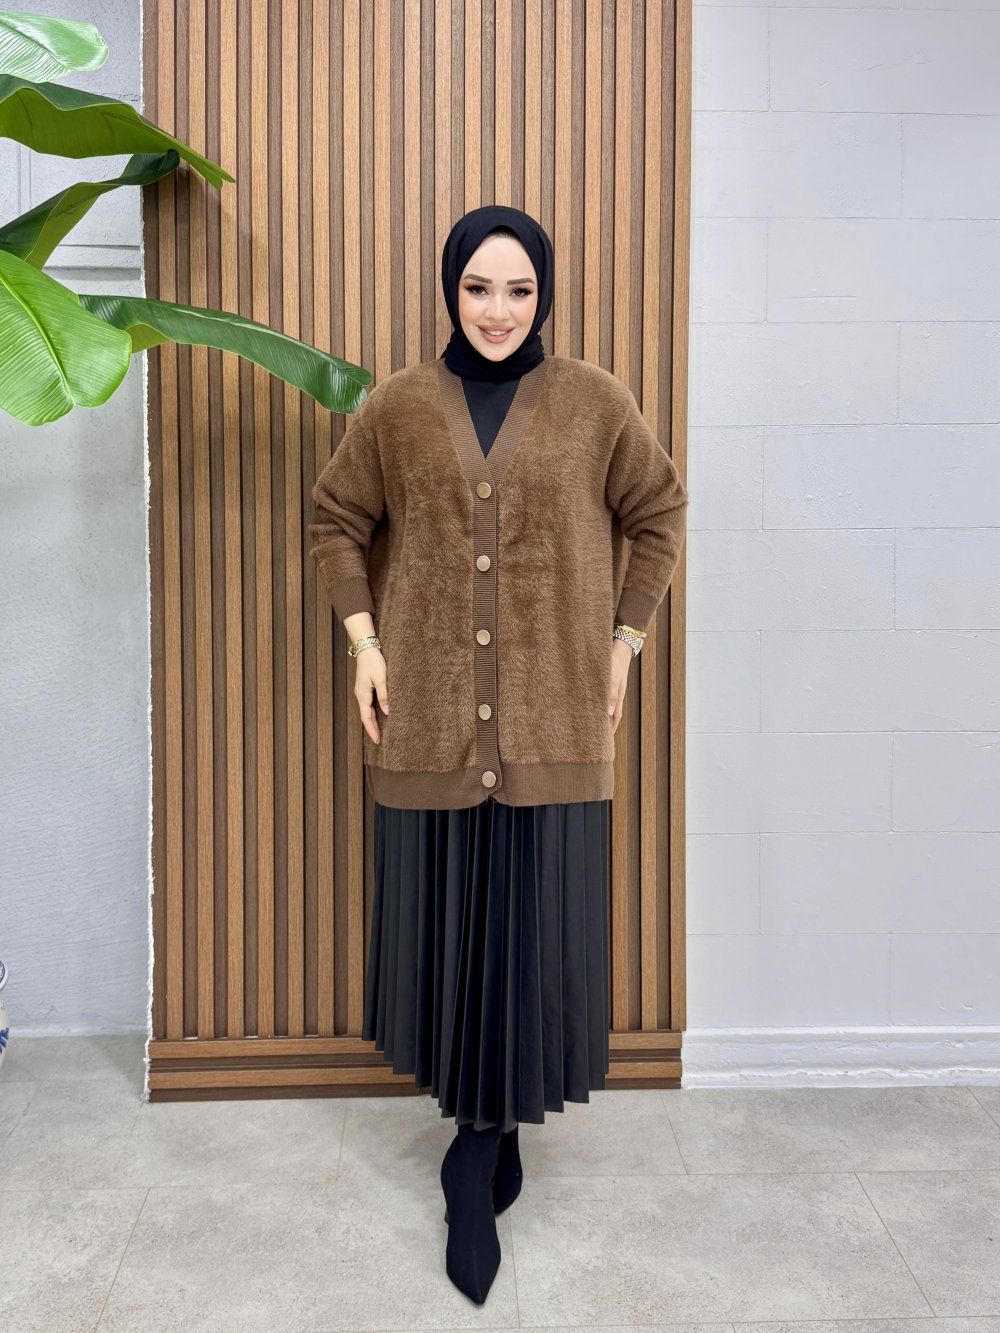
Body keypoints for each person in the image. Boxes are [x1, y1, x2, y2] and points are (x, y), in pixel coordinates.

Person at [308, 204, 688, 1305]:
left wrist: (623, 641)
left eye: (518, 289)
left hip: (553, 720)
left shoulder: (593, 402)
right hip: (430, 717)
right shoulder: (397, 406)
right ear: (450, 289)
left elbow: (659, 511)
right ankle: (485, 1135)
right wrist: (365, 645)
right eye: (478, 286)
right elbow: (337, 519)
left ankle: (476, 1151)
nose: (497, 309)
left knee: (527, 937)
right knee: (453, 937)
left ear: (544, 294)